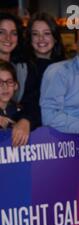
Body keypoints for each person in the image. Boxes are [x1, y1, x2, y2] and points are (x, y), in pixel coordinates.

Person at [0, 12, 40, 146]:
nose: (8, 38)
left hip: (16, 142)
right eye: (2, 32)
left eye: (14, 33)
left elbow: (35, 102)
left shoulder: (26, 68)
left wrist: (26, 120)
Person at [25, 13, 66, 90]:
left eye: (47, 33)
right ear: (30, 38)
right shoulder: (20, 68)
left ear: (55, 38)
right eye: (35, 34)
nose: (41, 38)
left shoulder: (67, 68)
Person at [0, 60, 21, 129]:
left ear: (16, 85)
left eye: (10, 82)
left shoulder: (20, 111)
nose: (5, 87)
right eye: (0, 82)